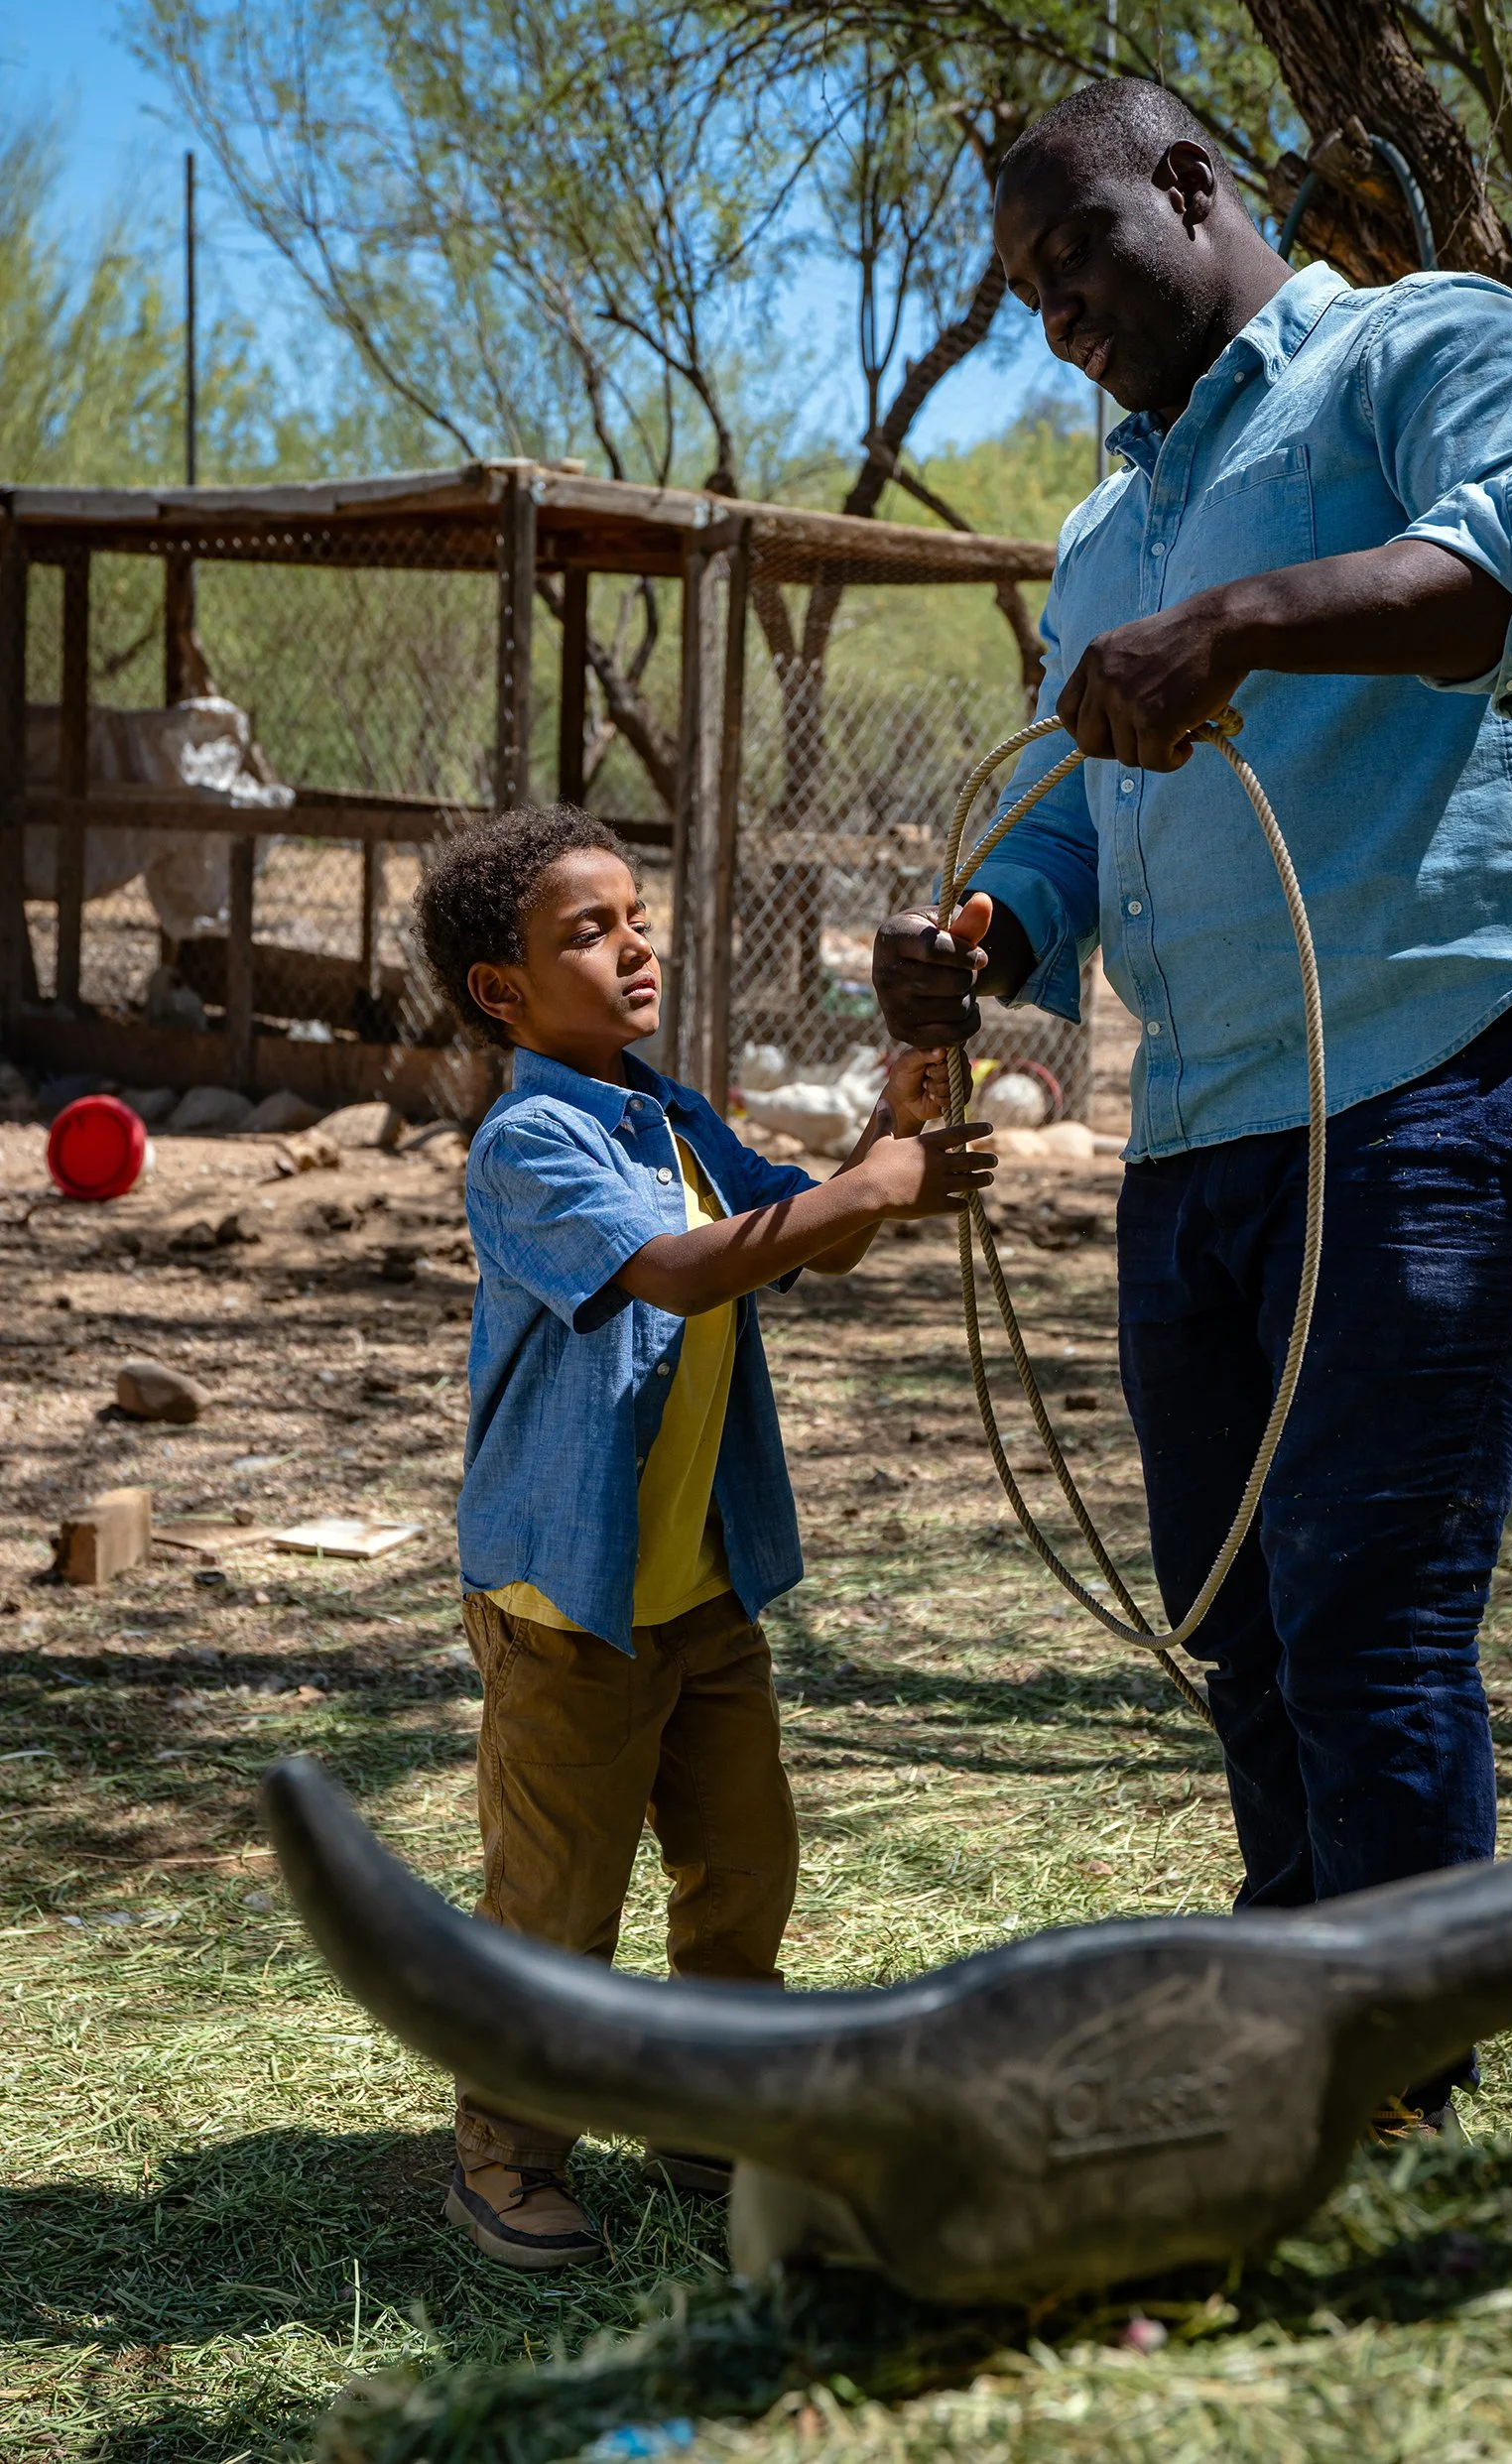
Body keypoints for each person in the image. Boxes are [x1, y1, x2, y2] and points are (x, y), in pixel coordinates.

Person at [873, 78, 1512, 2127]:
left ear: (1191, 185)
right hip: (1199, 1126)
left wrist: (1238, 619)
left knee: (1361, 1603)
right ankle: (1297, 2055)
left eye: (1074, 263)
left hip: (1444, 1068)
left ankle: (1386, 2097)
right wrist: (983, 936)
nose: (1053, 322)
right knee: (1239, 1616)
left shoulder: (1425, 348)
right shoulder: (1098, 530)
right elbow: (1072, 836)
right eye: (1021, 294)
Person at [413, 803, 992, 2268]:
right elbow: (675, 1274)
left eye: (636, 915)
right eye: (587, 932)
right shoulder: (529, 1143)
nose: (634, 944)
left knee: (741, 1868)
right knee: (558, 1896)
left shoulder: (668, 1116)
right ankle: (507, 2149)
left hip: (700, 1586)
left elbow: (800, 1228)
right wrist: (869, 1186)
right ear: (502, 991)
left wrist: (889, 1132)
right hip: (573, 1602)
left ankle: (701, 2108)